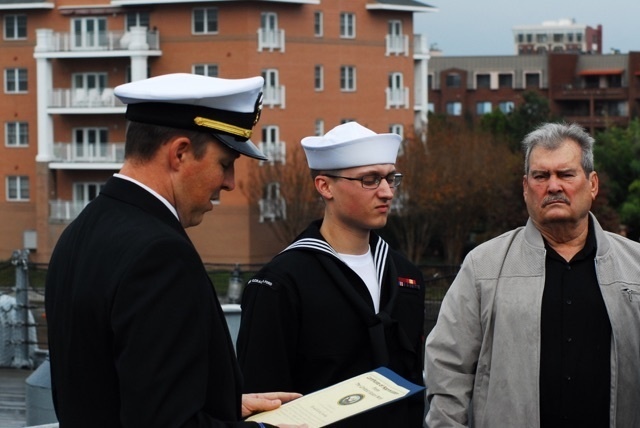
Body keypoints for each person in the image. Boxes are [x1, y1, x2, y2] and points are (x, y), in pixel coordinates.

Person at [45, 73, 304, 427]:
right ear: (180, 153)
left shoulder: (83, 230)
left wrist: (222, 403)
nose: (229, 183)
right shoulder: (160, 254)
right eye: (224, 164)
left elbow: (116, 389)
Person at [424, 122, 640, 427]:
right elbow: (448, 367)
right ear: (526, 187)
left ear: (592, 184)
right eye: (541, 176)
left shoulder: (635, 267)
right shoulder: (484, 267)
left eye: (566, 174)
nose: (553, 186)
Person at [236, 121, 426, 427]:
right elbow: (261, 395)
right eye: (370, 180)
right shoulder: (282, 281)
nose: (387, 192)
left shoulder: (406, 276)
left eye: (391, 178)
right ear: (325, 186)